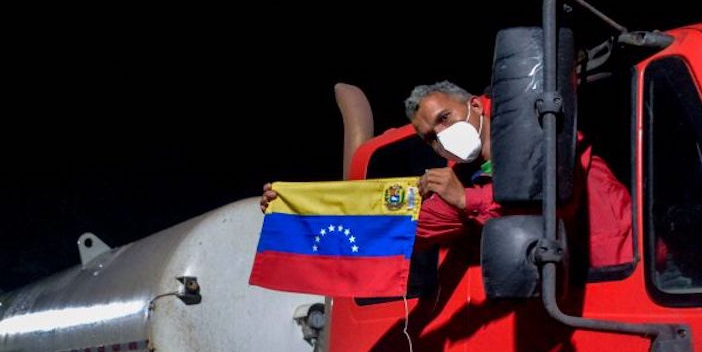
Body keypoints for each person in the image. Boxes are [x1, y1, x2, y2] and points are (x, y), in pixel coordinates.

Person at [262, 81, 633, 269]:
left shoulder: (541, 127)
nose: (442, 138)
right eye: (430, 138)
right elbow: (404, 227)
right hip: (572, 307)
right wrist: (297, 213)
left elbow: (552, 204)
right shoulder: (460, 180)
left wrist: (467, 200)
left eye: (445, 119)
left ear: (474, 104)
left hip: (624, 279)